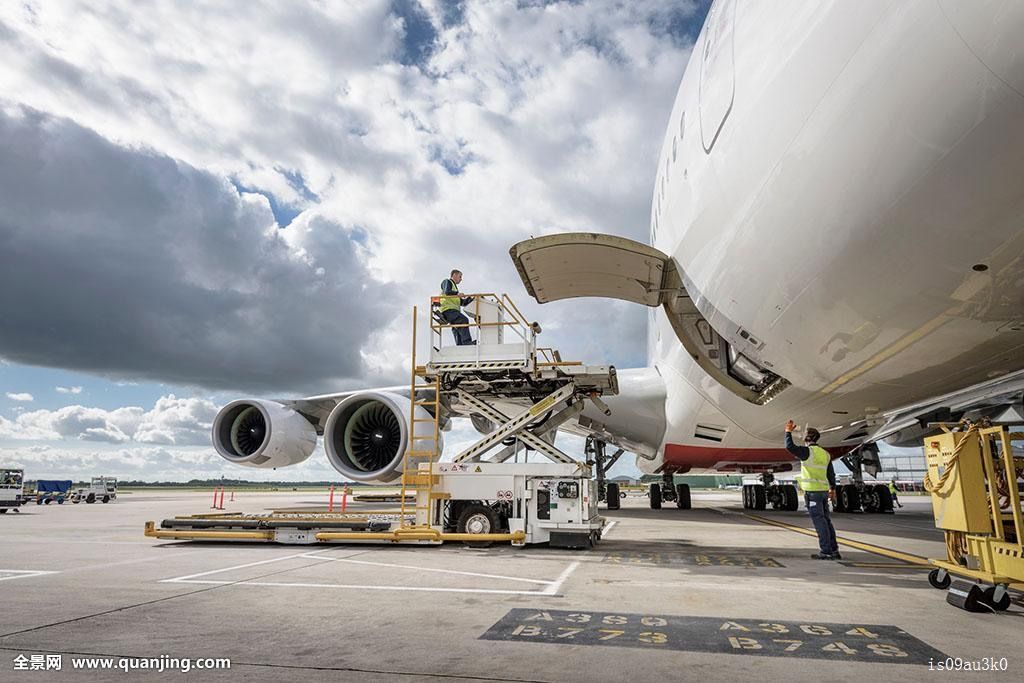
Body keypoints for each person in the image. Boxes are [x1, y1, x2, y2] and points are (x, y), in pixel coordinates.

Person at [784, 420, 840, 560]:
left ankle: (826, 551)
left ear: (808, 438)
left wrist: (788, 432)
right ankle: (834, 550)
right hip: (823, 492)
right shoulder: (825, 454)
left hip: (813, 493)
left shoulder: (808, 452)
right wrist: (832, 489)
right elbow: (830, 474)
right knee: (827, 521)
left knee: (819, 522)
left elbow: (789, 447)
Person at [439, 269, 476, 346]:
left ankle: (460, 345)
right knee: (463, 320)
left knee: (457, 327)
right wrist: (458, 294)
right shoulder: (447, 282)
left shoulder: (455, 289)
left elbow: (461, 302)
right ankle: (466, 342)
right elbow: (447, 292)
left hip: (453, 311)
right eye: (460, 276)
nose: (461, 279)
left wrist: (470, 300)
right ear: (454, 275)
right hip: (447, 310)